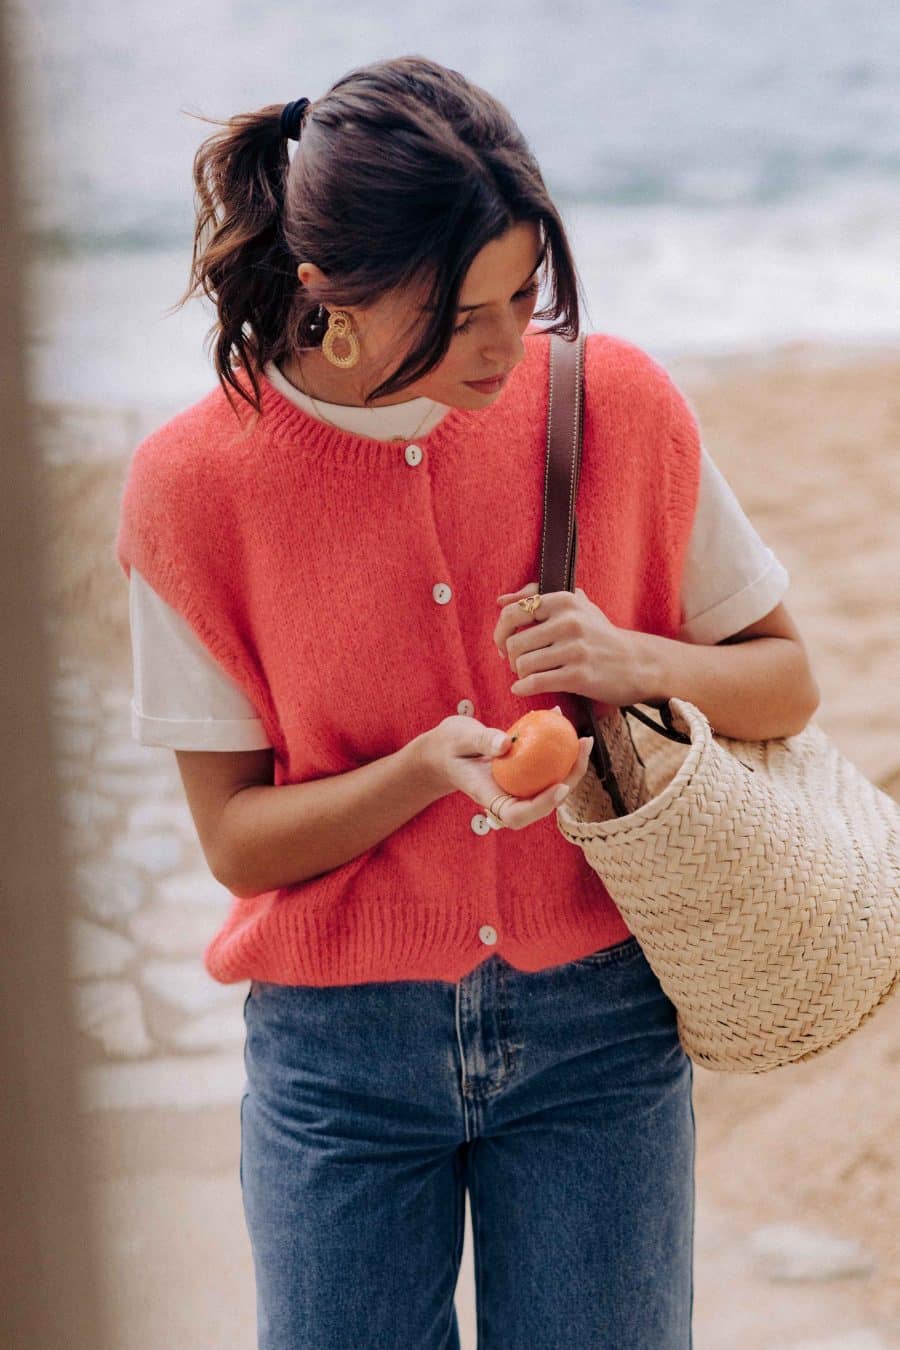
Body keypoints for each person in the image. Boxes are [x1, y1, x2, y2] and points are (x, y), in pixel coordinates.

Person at [115, 54, 811, 1350]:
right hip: (340, 1061)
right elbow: (238, 841)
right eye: (462, 310)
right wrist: (423, 769)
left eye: (526, 290)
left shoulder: (616, 406)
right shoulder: (193, 485)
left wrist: (629, 659)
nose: (511, 344)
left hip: (602, 1032)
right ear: (335, 294)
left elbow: (786, 680)